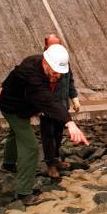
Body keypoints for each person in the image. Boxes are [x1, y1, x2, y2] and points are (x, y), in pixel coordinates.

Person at [0, 43, 89, 205]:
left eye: (60, 74)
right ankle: (24, 193)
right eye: (55, 73)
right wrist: (69, 122)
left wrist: (3, 86)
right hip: (12, 109)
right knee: (31, 147)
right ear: (45, 63)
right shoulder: (32, 74)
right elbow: (48, 100)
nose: (57, 76)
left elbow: (15, 72)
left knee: (15, 133)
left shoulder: (41, 63)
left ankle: (8, 164)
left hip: (23, 107)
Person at [40, 35, 81, 178]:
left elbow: (70, 82)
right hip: (47, 108)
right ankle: (50, 165)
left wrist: (74, 98)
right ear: (46, 47)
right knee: (48, 135)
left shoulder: (64, 62)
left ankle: (56, 159)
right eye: (52, 46)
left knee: (58, 135)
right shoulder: (43, 64)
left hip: (63, 107)